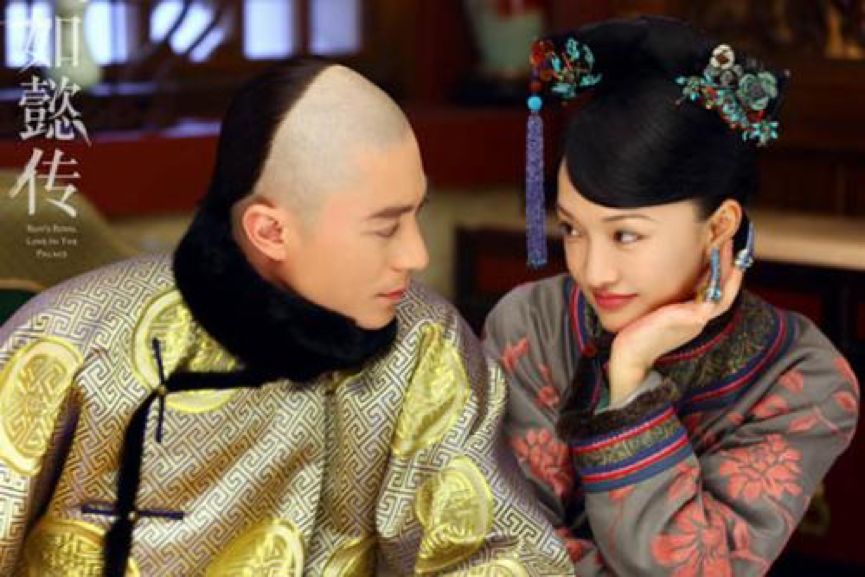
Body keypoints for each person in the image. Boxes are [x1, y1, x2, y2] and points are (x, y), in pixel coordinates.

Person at [0, 58, 573, 576]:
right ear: (270, 231)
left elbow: (496, 555)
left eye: (415, 214)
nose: (416, 255)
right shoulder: (75, 337)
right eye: (385, 227)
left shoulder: (424, 343)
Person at [484, 16, 860, 576]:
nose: (593, 271)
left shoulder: (800, 378)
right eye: (572, 229)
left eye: (626, 235)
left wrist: (630, 377)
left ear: (719, 225)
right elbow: (500, 549)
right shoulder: (532, 324)